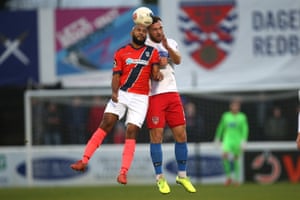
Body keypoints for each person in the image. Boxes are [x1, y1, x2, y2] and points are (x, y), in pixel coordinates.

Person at [70, 24, 162, 185]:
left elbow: (154, 74)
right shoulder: (121, 52)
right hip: (122, 93)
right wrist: (114, 92)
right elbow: (116, 75)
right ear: (132, 32)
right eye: (138, 30)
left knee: (131, 130)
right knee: (106, 123)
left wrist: (158, 73)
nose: (141, 33)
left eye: (144, 31)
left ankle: (123, 172)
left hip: (140, 98)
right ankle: (83, 160)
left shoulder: (151, 52)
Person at [145, 16, 196, 194]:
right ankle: (159, 177)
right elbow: (144, 73)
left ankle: (182, 175)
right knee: (156, 136)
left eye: (160, 28)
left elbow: (178, 59)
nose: (159, 31)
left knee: (181, 135)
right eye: (155, 29)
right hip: (154, 96)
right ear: (149, 31)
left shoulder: (170, 42)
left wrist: (166, 47)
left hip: (173, 94)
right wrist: (156, 66)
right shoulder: (144, 47)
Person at [214, 99, 249, 186]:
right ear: (230, 106)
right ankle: (229, 177)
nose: (235, 107)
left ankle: (236, 179)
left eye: (237, 106)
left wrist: (244, 140)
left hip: (237, 140)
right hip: (227, 139)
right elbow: (221, 127)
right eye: (234, 105)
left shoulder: (242, 117)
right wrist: (218, 137)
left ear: (239, 107)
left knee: (236, 159)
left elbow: (245, 129)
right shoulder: (226, 116)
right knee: (224, 155)